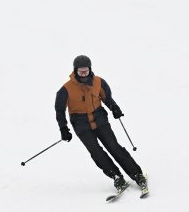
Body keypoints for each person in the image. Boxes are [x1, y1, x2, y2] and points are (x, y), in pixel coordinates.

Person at [55, 55, 148, 194]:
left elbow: (107, 98)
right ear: (75, 71)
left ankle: (137, 174)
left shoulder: (99, 82)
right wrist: (63, 128)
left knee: (114, 147)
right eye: (81, 72)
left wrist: (114, 107)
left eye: (86, 71)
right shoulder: (66, 89)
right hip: (81, 125)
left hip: (100, 120)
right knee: (96, 152)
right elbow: (59, 110)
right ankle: (116, 177)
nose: (84, 74)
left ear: (90, 69)